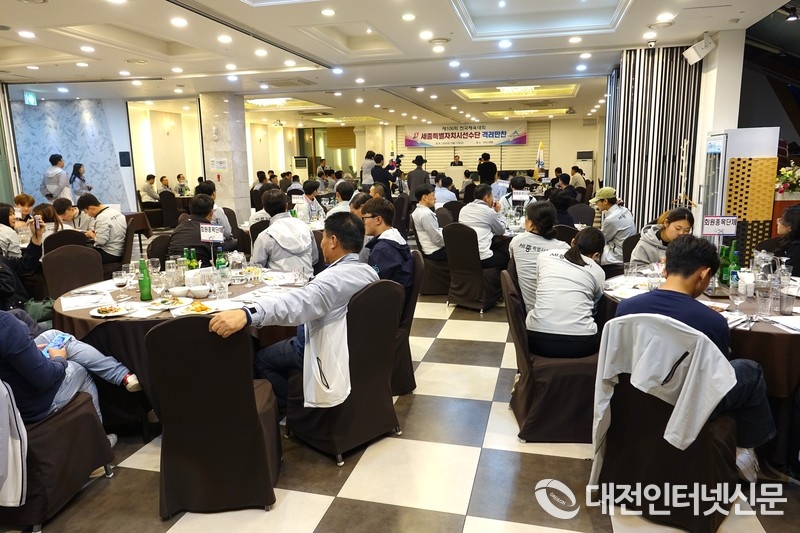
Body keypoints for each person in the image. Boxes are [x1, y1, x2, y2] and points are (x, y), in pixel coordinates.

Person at [616, 234, 776, 482]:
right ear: (704, 274)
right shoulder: (712, 321)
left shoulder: (626, 308)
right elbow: (717, 376)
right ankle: (747, 452)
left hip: (637, 394)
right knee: (751, 370)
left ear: (665, 268)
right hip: (687, 406)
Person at [209, 213, 379, 408]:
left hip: (320, 347)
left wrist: (247, 314)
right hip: (356, 345)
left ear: (333, 241)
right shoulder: (369, 272)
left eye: (323, 237)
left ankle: (293, 408)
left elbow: (294, 304)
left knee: (260, 360)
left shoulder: (330, 281)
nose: (321, 243)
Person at [0, 310, 141, 426]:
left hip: (11, 397)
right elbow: (45, 378)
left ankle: (122, 375)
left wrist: (29, 351)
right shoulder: (5, 323)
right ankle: (99, 443)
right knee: (79, 369)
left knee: (54, 336)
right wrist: (59, 359)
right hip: (31, 406)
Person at [526, 227, 606, 358]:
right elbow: (594, 307)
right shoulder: (598, 272)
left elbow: (539, 287)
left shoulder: (544, 257)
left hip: (536, 340)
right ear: (596, 255)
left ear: (572, 242)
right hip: (581, 345)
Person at [509, 202, 569, 313]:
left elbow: (512, 265)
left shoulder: (517, 242)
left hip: (529, 310)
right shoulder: (563, 248)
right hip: (559, 310)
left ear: (531, 224)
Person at [251, 190, 318, 279]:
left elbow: (257, 267)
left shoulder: (265, 236)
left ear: (265, 209)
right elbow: (314, 258)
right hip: (309, 282)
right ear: (286, 205)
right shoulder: (305, 227)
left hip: (280, 285)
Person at [361, 197, 414, 304]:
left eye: (364, 218)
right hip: (396, 300)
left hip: (387, 304)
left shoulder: (382, 250)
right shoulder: (396, 238)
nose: (363, 223)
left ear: (378, 220)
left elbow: (373, 283)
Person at [459, 184, 508, 269]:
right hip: (482, 258)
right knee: (505, 256)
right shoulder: (489, 212)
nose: (493, 199)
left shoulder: (464, 209)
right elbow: (501, 231)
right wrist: (498, 212)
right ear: (486, 198)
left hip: (464, 254)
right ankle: (494, 277)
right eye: (492, 196)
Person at [590, 187, 637, 265]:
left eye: (597, 202)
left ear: (605, 201)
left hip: (616, 255)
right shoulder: (625, 210)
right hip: (628, 252)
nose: (596, 205)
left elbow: (602, 239)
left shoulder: (610, 219)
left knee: (590, 251)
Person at [167, 194, 216, 268]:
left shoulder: (179, 227)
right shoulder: (210, 230)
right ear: (211, 213)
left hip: (174, 268)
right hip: (199, 269)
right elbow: (217, 258)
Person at [76, 194, 127, 263]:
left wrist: (91, 235)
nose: (88, 215)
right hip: (119, 250)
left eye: (86, 212)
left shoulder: (102, 217)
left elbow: (100, 242)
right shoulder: (115, 212)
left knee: (78, 255)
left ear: (91, 208)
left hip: (110, 253)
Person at [195, 181, 236, 251]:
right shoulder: (216, 210)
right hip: (217, 245)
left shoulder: (195, 208)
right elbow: (227, 232)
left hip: (198, 243)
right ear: (213, 194)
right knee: (238, 242)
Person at [412, 184, 446, 261]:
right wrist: (449, 241)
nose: (435, 198)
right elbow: (437, 240)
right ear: (424, 197)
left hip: (429, 249)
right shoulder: (426, 214)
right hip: (435, 251)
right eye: (433, 195)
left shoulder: (417, 211)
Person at [775, 206, 800, 276]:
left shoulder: (797, 248)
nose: (778, 221)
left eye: (782, 219)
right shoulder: (789, 242)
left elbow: (787, 275)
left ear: (790, 227)